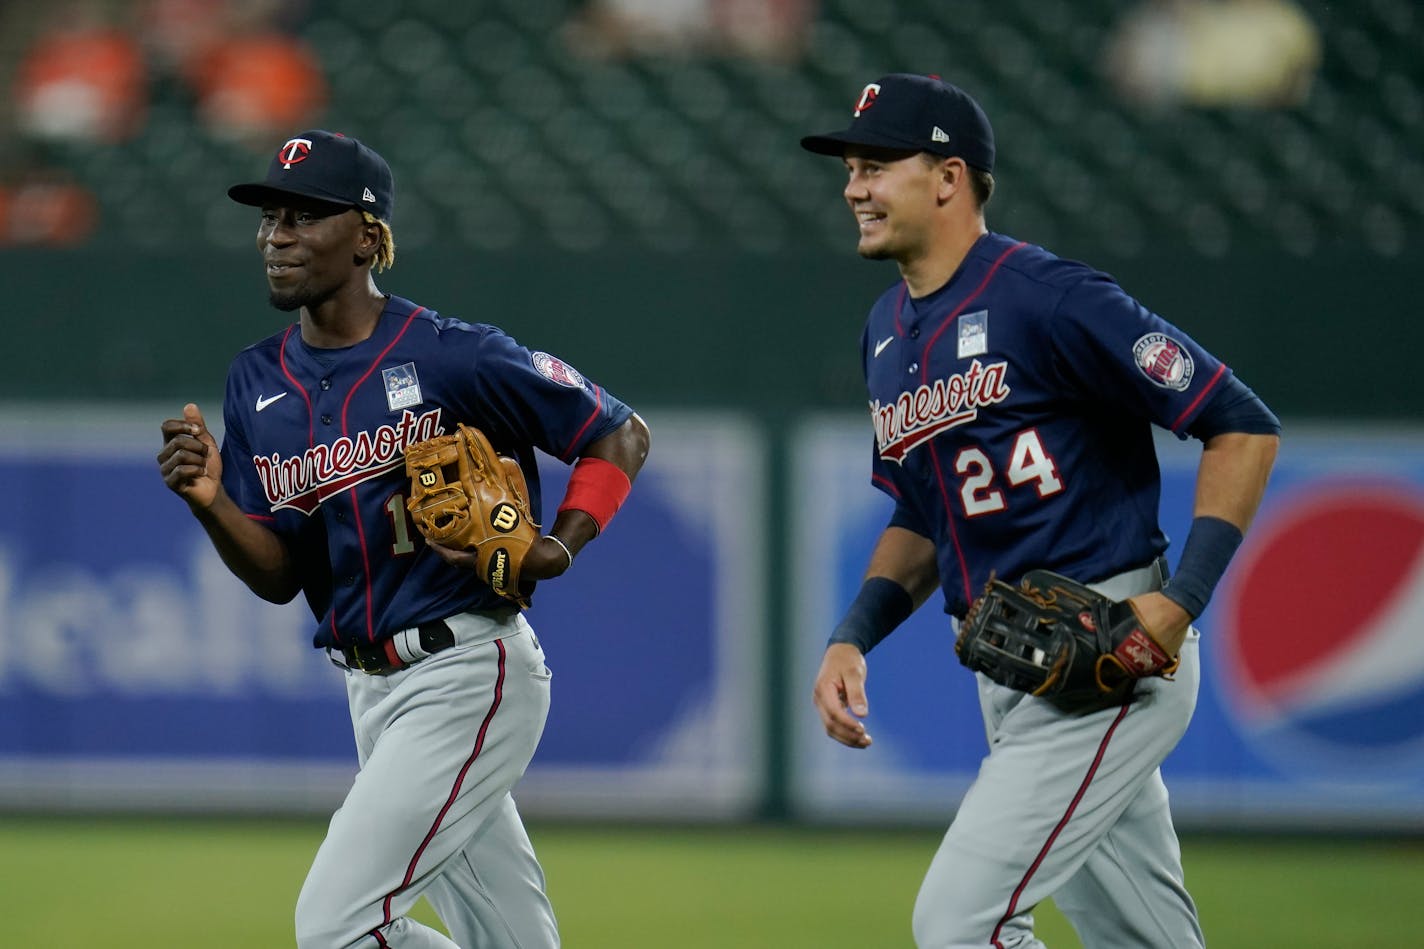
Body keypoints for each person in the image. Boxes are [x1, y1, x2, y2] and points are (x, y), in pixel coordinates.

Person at [801, 74, 1280, 948]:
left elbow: (1240, 426)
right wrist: (852, 635)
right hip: (1014, 669)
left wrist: (1178, 606)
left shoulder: (1048, 295)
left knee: (958, 924)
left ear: (948, 176)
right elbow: (920, 511)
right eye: (850, 169)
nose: (853, 187)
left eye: (876, 166)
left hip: (1111, 656)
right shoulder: (883, 329)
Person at [157, 129, 650, 949]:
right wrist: (211, 501)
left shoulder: (452, 354)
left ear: (366, 234)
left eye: (304, 216)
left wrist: (557, 547)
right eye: (271, 216)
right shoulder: (255, 380)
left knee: (338, 926)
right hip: (370, 691)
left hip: (466, 671)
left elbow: (619, 433)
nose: (277, 235)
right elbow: (281, 574)